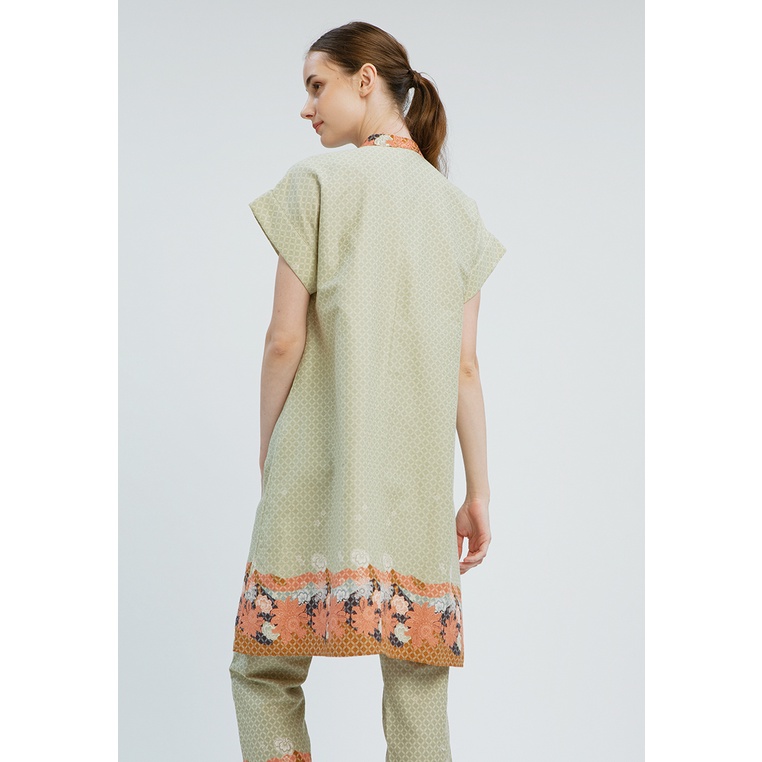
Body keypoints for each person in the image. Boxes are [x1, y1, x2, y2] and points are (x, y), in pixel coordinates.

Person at [229, 20, 507, 762]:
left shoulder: (318, 184)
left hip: (314, 467)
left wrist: (269, 444)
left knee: (264, 668)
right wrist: (478, 491)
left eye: (316, 85)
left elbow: (283, 339)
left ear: (365, 80)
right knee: (419, 682)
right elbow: (465, 367)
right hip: (418, 484)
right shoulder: (459, 214)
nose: (306, 106)